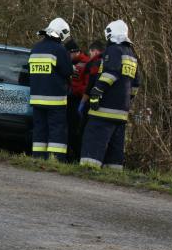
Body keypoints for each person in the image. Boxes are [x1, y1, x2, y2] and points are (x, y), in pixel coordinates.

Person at [80, 20, 140, 170]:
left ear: (111, 34)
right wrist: (125, 101)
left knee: (94, 138)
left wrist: (96, 92)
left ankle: (88, 170)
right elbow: (136, 84)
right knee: (115, 146)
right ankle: (112, 174)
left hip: (104, 109)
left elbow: (110, 73)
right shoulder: (131, 55)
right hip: (121, 112)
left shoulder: (113, 51)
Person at [28, 17, 74, 160]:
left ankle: (38, 157)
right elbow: (67, 71)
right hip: (55, 100)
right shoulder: (59, 49)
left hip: (36, 98)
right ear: (61, 33)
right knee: (57, 130)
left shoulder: (35, 48)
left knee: (39, 130)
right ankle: (56, 159)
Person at [65, 39, 90, 161]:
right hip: (70, 100)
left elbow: (87, 86)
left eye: (68, 54)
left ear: (75, 52)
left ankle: (77, 157)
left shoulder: (86, 63)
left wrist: (74, 90)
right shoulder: (73, 63)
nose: (67, 56)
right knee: (69, 129)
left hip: (79, 101)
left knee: (75, 131)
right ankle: (70, 156)